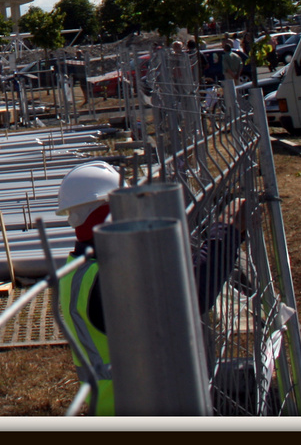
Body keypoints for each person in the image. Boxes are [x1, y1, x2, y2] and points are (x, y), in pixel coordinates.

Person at [55, 162, 246, 416]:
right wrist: (227, 228)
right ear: (110, 210)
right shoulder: (107, 279)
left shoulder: (82, 272)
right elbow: (188, 295)